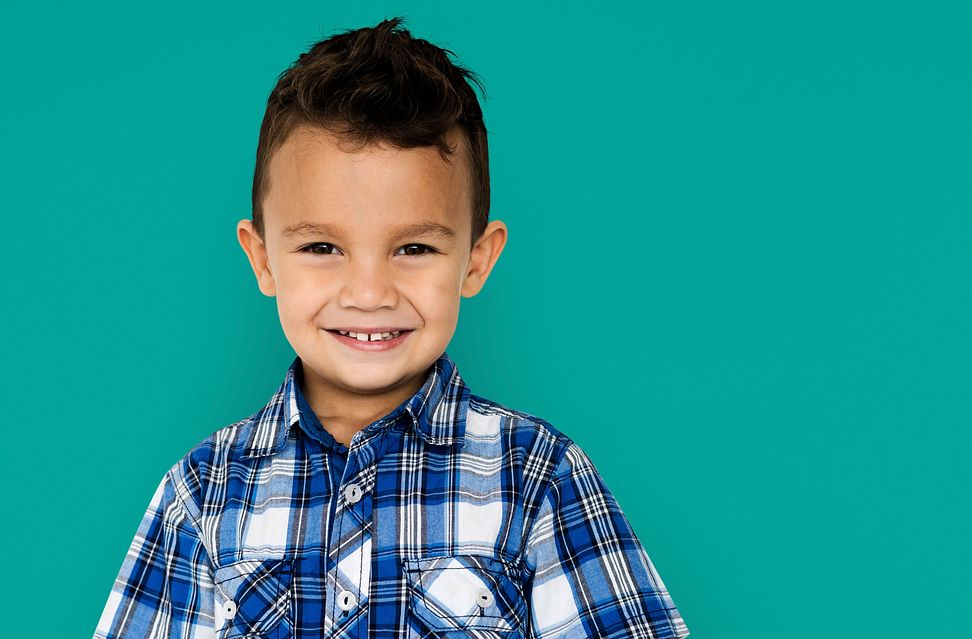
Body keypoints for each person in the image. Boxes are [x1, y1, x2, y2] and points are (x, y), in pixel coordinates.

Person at [93, 16, 689, 639]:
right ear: (263, 258)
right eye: (322, 246)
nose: (370, 293)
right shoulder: (202, 495)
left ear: (476, 260)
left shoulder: (538, 477)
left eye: (414, 249)